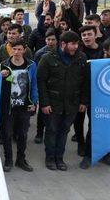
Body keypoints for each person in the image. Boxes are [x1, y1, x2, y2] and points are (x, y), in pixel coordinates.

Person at [37, 31, 88, 171]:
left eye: (77, 44)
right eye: (73, 44)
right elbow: (40, 82)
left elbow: (85, 82)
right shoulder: (47, 58)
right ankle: (50, 158)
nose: (75, 47)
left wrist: (84, 101)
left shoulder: (81, 58)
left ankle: (59, 158)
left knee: (64, 131)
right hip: (53, 104)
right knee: (52, 131)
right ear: (63, 44)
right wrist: (45, 103)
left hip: (72, 104)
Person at [0, 39, 38, 172]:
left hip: (24, 106)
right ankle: (8, 160)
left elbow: (34, 85)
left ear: (24, 50)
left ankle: (21, 159)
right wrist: (0, 76)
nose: (16, 52)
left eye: (19, 49)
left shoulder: (31, 65)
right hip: (8, 106)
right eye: (14, 49)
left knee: (22, 134)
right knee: (7, 134)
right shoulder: (4, 64)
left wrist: (34, 102)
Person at [76, 25, 104, 169]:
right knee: (79, 122)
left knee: (96, 125)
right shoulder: (79, 52)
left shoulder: (103, 50)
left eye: (89, 34)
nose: (86, 37)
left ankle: (92, 153)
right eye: (84, 35)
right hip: (82, 95)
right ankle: (82, 148)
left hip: (101, 95)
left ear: (95, 35)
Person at [32, 30, 58, 144]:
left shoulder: (61, 52)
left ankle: (52, 133)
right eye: (48, 39)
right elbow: (36, 72)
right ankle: (39, 133)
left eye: (53, 39)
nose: (51, 42)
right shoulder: (39, 53)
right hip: (43, 86)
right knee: (42, 112)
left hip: (57, 87)